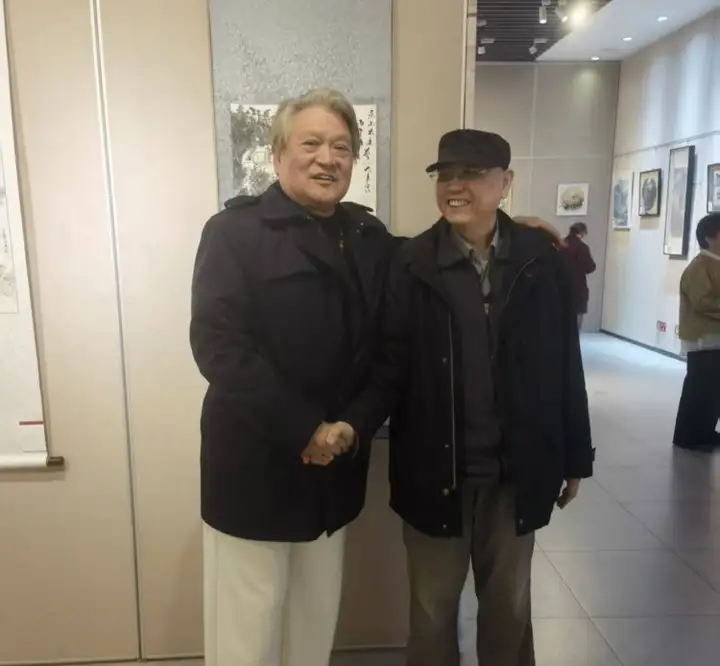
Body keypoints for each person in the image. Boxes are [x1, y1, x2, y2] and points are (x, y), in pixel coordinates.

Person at [190, 89, 562, 666]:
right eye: (311, 144)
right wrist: (305, 428)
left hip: (332, 469)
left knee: (313, 624)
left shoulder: (366, 236)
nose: (327, 158)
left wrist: (505, 227)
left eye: (341, 147)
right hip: (256, 466)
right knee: (247, 631)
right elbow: (219, 347)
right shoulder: (233, 232)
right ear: (278, 154)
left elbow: (423, 269)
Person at [322, 129, 594, 666]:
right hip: (434, 472)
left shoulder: (541, 262)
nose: (454, 186)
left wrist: (575, 456)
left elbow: (565, 363)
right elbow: (388, 365)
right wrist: (352, 423)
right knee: (431, 612)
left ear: (505, 182)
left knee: (509, 609)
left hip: (516, 473)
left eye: (470, 174)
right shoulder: (410, 263)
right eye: (445, 175)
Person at [674, 213, 720, 452]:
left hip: (715, 337)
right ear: (710, 237)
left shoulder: (715, 263)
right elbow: (702, 301)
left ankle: (704, 431)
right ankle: (688, 436)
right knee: (699, 389)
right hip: (704, 338)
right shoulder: (700, 265)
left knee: (712, 391)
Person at [562, 221, 596, 329]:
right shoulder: (582, 247)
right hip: (577, 285)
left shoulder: (560, 244)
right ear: (582, 233)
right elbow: (590, 267)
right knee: (578, 311)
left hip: (559, 284)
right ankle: (574, 337)